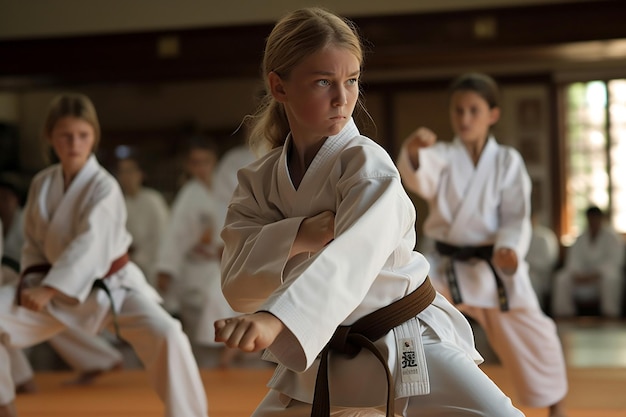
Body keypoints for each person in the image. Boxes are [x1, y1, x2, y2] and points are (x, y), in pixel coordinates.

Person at [214, 8, 524, 417]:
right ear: (279, 86)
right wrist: (300, 234)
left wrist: (276, 319)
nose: (343, 99)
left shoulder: (368, 165)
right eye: (323, 82)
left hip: (402, 338)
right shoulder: (259, 179)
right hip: (321, 353)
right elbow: (236, 284)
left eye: (352, 80)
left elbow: (352, 258)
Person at [0, 93, 208, 417]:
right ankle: (5, 404)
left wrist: (51, 288)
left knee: (168, 334)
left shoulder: (104, 187)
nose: (74, 143)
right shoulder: (42, 184)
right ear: (49, 137)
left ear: (94, 137)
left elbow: (90, 245)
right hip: (53, 288)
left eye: (83, 135)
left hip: (113, 288)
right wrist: (34, 283)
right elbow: (34, 245)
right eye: (65, 135)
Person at [397, 72, 568, 417]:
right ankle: (408, 399)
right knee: (408, 316)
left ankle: (556, 407)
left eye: (474, 110)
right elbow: (420, 175)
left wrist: (509, 248)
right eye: (458, 110)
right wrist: (413, 152)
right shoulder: (443, 155)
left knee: (535, 330)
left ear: (493, 114)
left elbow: (516, 215)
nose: (464, 119)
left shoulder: (507, 161)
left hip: (494, 264)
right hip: (446, 265)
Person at [1, 175, 124, 387]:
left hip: (48, 276)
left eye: (5, 198)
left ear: (14, 199)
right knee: (36, 320)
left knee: (53, 318)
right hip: (22, 277)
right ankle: (21, 378)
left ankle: (21, 380)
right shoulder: (9, 222)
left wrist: (49, 284)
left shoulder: (24, 220)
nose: (2, 203)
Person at [156, 136, 238, 367]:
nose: (201, 168)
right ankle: (206, 371)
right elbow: (175, 236)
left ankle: (227, 364)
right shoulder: (190, 194)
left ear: (215, 162)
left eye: (206, 161)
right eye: (195, 162)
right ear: (188, 165)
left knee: (232, 314)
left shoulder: (227, 189)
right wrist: (166, 269)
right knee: (201, 332)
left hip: (223, 267)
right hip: (195, 270)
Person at [552, 205, 624, 318]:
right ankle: (564, 316)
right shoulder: (581, 239)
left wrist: (596, 274)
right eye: (591, 218)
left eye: (596, 218)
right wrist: (578, 274)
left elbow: (615, 262)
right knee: (561, 278)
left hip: (601, 278)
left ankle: (610, 315)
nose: (593, 221)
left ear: (601, 219)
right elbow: (573, 260)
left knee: (611, 279)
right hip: (582, 278)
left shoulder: (612, 238)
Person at [116, 157, 169, 287]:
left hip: (156, 263)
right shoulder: (119, 203)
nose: (127, 176)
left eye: (130, 171)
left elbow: (164, 234)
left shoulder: (153, 199)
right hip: (131, 267)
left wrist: (164, 268)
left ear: (140, 174)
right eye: (122, 172)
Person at [526, 211, 560, 311]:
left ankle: (534, 311)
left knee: (531, 280)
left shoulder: (544, 237)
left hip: (542, 275)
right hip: (524, 270)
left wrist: (529, 264)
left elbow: (548, 262)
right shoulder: (521, 235)